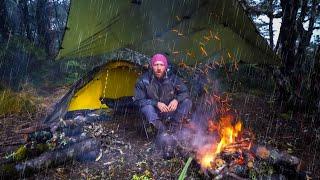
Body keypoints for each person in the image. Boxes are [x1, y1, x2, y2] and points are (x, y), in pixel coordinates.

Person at [134, 53, 192, 133]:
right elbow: (138, 101)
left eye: (161, 65)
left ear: (165, 67)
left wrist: (176, 100)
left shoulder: (173, 79)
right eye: (156, 65)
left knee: (187, 102)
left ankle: (173, 126)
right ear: (151, 66)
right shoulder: (143, 80)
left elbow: (185, 92)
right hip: (155, 113)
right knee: (147, 107)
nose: (158, 68)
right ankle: (161, 130)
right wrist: (156, 103)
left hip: (169, 110)